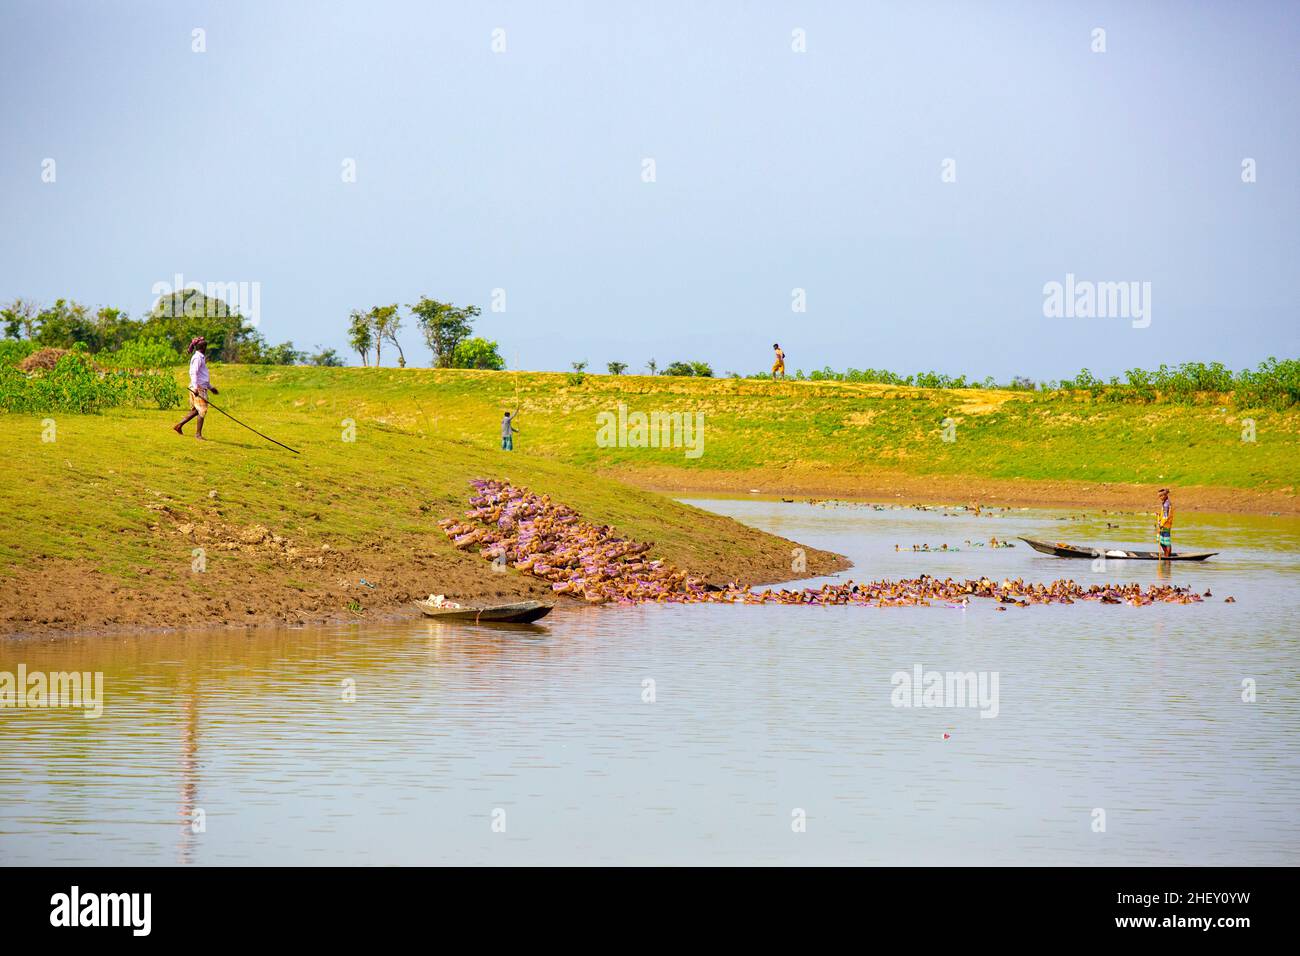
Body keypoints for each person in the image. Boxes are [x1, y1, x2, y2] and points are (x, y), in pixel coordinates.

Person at [173, 337, 218, 440]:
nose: (206, 348)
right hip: (198, 388)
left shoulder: (201, 357)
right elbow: (194, 373)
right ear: (202, 347)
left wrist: (211, 388)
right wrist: (195, 388)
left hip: (200, 387)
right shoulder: (197, 358)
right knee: (202, 410)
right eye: (205, 346)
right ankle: (198, 435)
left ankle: (178, 426)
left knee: (196, 411)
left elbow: (202, 375)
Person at [1156, 487, 1174, 558]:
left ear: (1165, 495)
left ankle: (1167, 556)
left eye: (1161, 496)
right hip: (1163, 524)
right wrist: (1159, 514)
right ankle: (1166, 554)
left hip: (1165, 525)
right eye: (1159, 496)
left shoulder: (1167, 504)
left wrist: (1161, 525)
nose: (1160, 497)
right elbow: (1164, 514)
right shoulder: (1164, 503)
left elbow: (1166, 517)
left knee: (1166, 542)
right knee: (1161, 541)